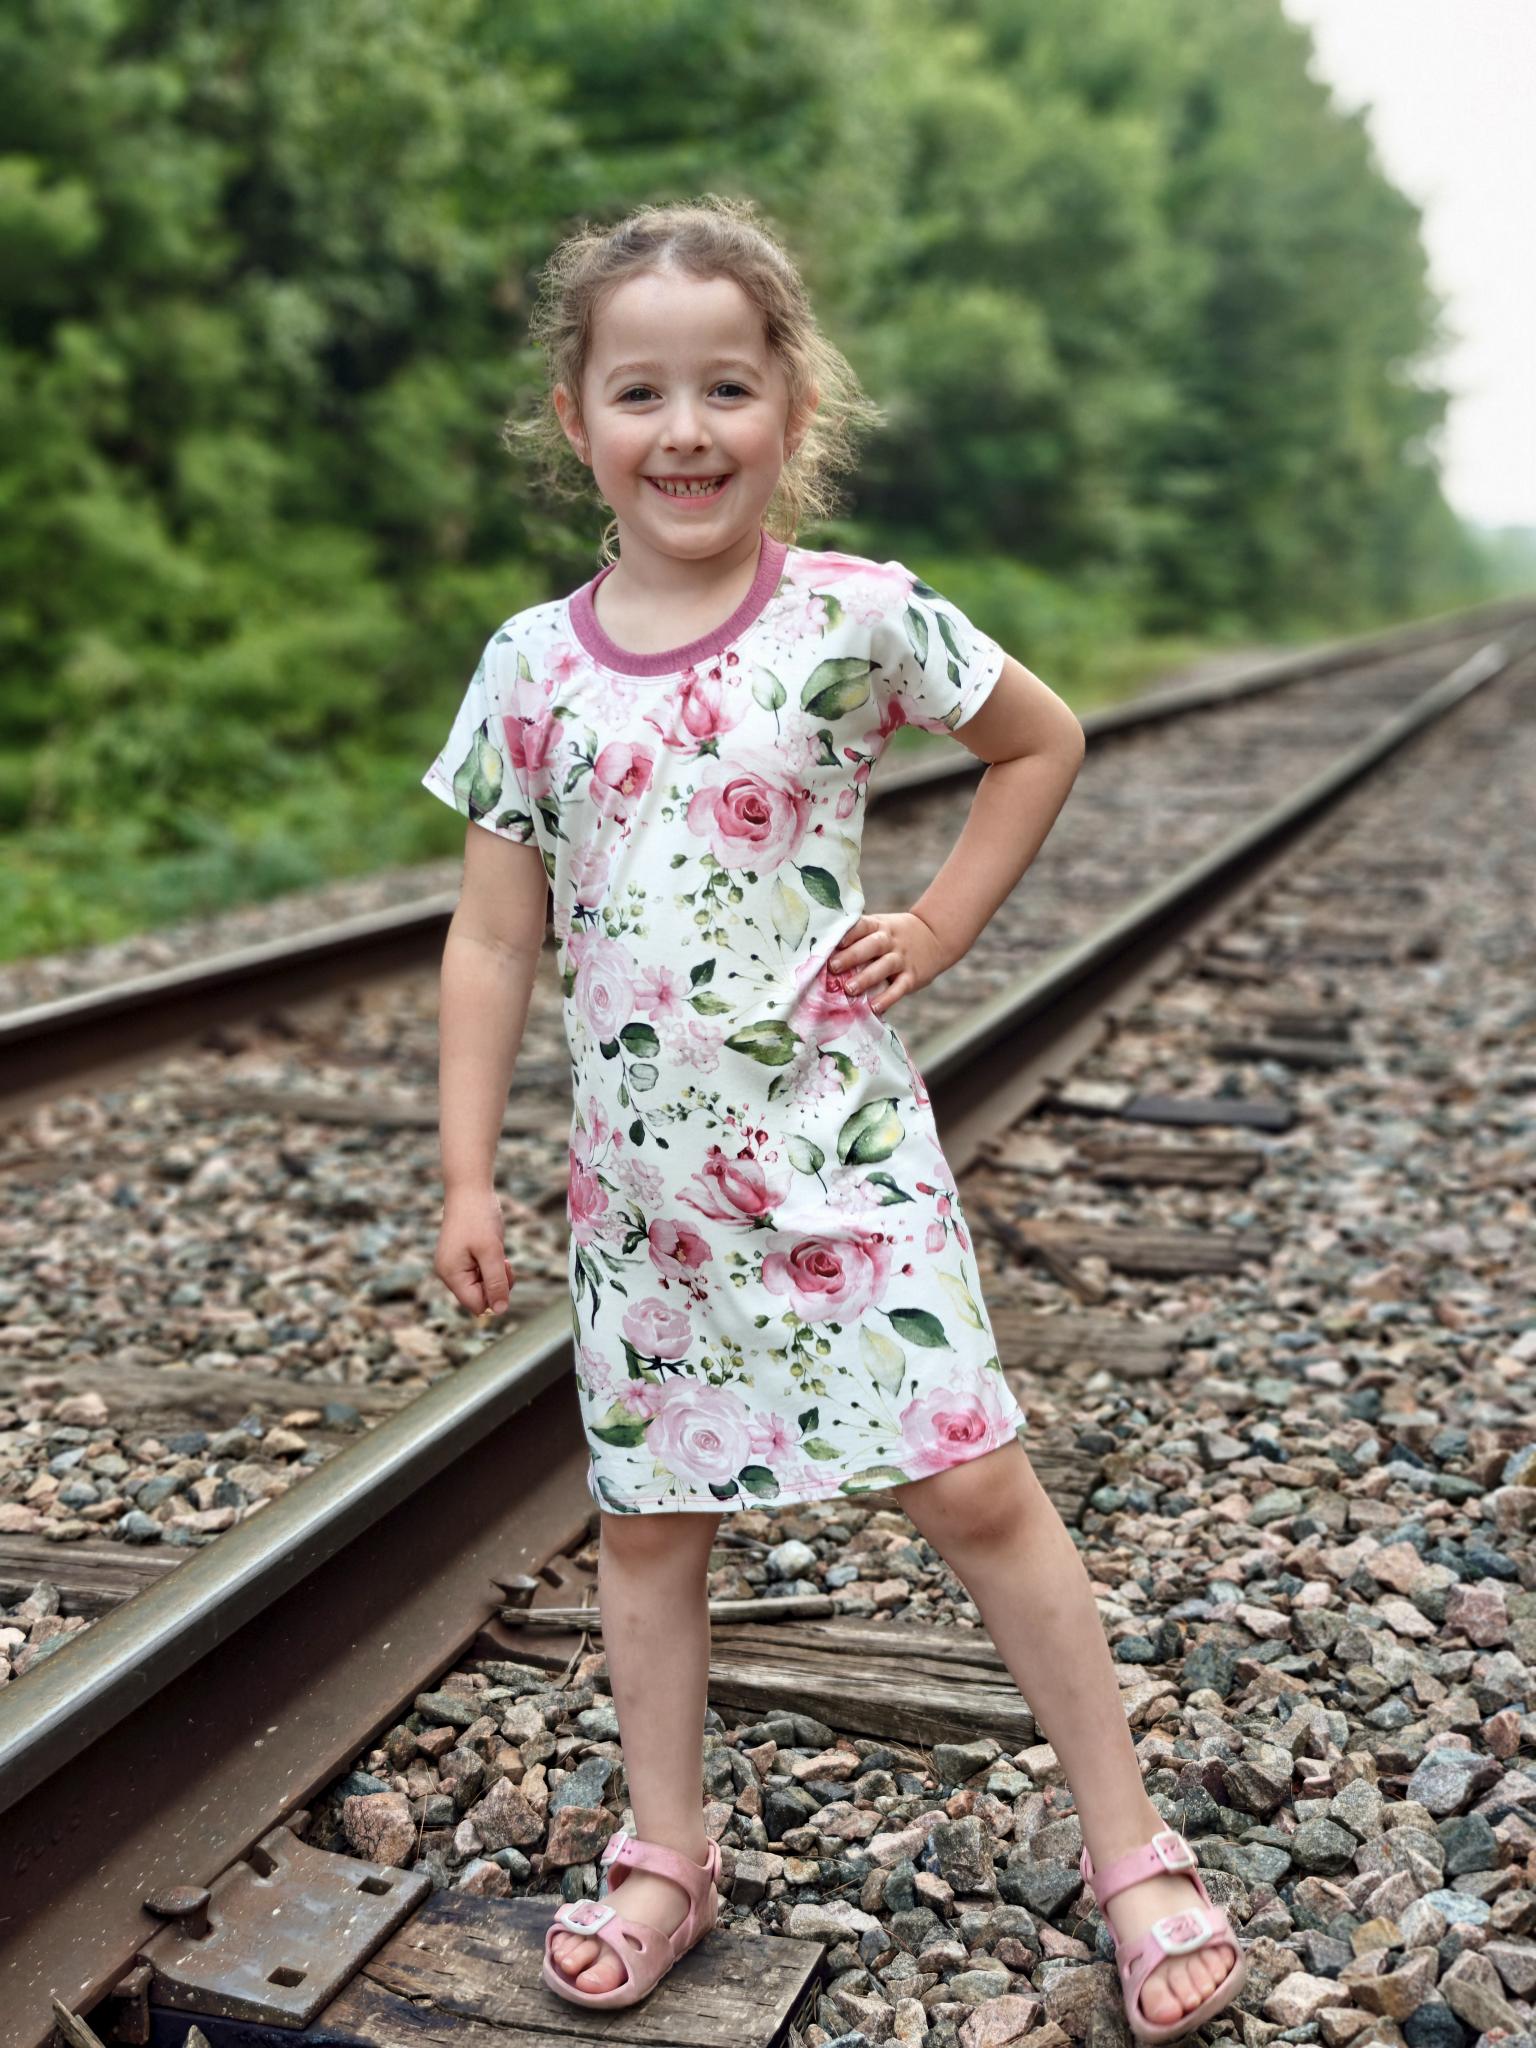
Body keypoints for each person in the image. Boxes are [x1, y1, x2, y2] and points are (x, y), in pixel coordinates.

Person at [420, 193, 1246, 2041]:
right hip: (641, 1197)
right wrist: (470, 1168)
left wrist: (942, 921)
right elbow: (491, 937)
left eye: (727, 385)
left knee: (969, 1480)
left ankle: (1129, 1844)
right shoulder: (529, 668)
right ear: (578, 420)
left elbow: (1041, 740)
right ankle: (665, 1849)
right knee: (649, 1524)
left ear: (793, 404)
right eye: (641, 391)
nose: (685, 427)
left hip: (836, 1158)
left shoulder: (854, 617)